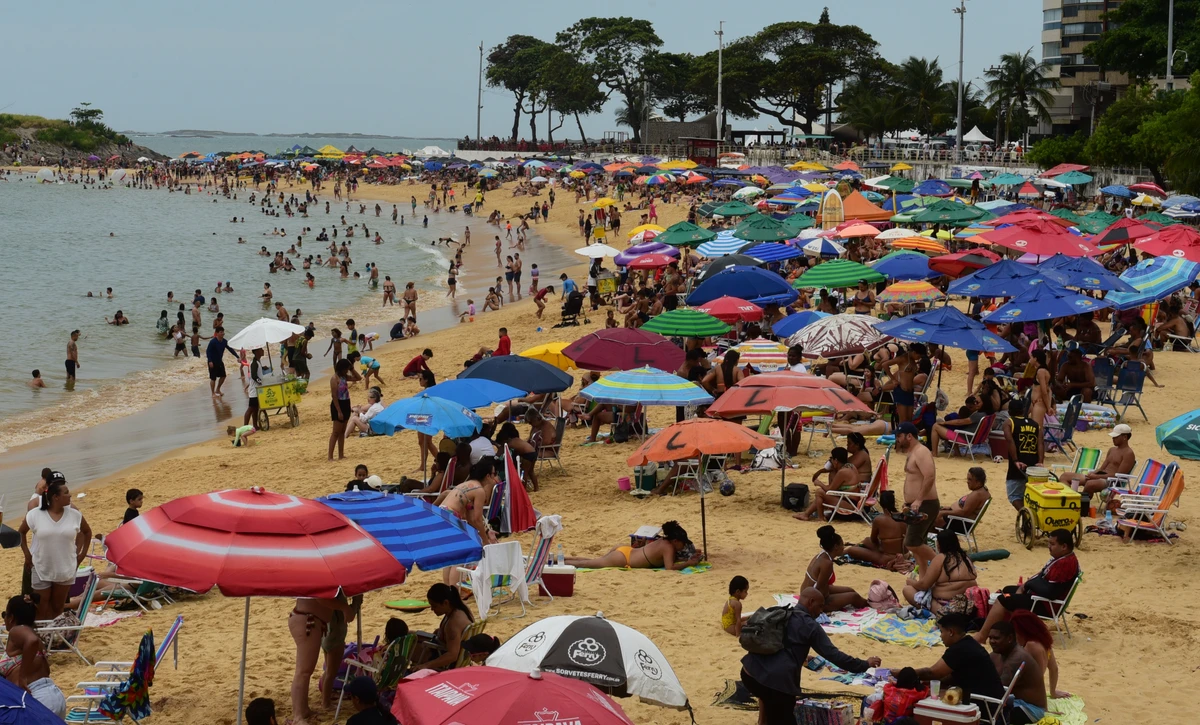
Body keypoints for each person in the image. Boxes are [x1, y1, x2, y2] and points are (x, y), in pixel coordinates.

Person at [740, 587, 881, 725]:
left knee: (768, 697)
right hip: (776, 683)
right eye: (820, 607)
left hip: (749, 673)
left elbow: (780, 645)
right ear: (811, 602)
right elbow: (834, 655)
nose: (821, 612)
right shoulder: (810, 625)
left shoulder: (782, 613)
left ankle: (762, 721)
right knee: (783, 713)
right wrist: (864, 664)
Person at [975, 528, 1080, 642]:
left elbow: (1050, 592)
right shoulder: (1065, 558)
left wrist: (1027, 586)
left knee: (1003, 599)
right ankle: (1009, 631)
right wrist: (1027, 585)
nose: (1048, 546)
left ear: (1064, 546)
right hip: (1041, 599)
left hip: (1044, 604)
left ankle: (982, 636)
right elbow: (1043, 580)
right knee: (1008, 590)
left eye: (1052, 544)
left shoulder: (1064, 564)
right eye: (1048, 543)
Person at [19, 473, 92, 621]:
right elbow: (21, 532)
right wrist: (27, 554)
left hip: (65, 567)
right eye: (66, 493)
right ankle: (41, 640)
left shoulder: (75, 514)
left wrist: (81, 554)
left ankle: (54, 639)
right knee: (40, 606)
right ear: (55, 497)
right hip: (41, 566)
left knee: (58, 607)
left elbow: (87, 532)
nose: (70, 495)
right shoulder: (35, 514)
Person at [289, 597, 357, 725]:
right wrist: (344, 607)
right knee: (303, 671)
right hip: (307, 619)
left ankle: (304, 710)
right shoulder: (314, 577)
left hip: (311, 619)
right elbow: (321, 598)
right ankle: (298, 716)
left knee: (306, 671)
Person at [915, 612, 1005, 704]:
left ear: (951, 632)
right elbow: (951, 676)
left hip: (985, 704)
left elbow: (932, 673)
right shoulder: (969, 643)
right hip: (994, 701)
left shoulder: (959, 649)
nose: (940, 636)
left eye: (942, 632)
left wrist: (904, 673)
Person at [1, 593, 68, 716]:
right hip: (54, 696)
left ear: (11, 618)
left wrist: (22, 677)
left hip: (38, 698)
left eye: (4, 615)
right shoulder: (34, 640)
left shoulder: (17, 630)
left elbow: (31, 640)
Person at [565, 520, 703, 570]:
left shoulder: (663, 541)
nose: (683, 547)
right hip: (623, 558)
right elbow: (670, 567)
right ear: (675, 541)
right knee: (585, 564)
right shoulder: (668, 547)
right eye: (682, 544)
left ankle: (560, 559)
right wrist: (689, 563)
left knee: (592, 561)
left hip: (625, 550)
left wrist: (687, 558)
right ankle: (556, 561)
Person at [902, 529, 978, 614]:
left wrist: (911, 582)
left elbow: (924, 585)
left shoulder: (941, 558)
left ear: (939, 544)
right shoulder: (966, 557)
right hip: (969, 604)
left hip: (946, 606)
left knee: (907, 589)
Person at [896, 422, 939, 570]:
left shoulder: (921, 451)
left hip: (925, 503)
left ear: (909, 436)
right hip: (916, 504)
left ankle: (944, 565)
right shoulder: (912, 452)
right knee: (919, 543)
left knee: (911, 543)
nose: (897, 439)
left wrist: (919, 499)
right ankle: (924, 574)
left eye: (899, 436)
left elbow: (930, 476)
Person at [987, 622, 1047, 724]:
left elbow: (1000, 689)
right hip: (1014, 700)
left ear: (1010, 638)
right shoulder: (997, 654)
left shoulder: (1018, 657)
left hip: (1031, 708)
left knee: (988, 713)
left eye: (996, 638)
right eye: (990, 638)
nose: (992, 641)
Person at [800, 526, 868, 611]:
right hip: (813, 601)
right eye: (842, 544)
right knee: (853, 596)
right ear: (836, 546)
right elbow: (821, 589)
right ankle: (870, 605)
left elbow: (821, 585)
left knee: (849, 590)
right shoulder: (827, 564)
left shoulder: (822, 555)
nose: (843, 547)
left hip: (805, 593)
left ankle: (866, 602)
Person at [435, 457, 500, 546]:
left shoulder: (466, 484)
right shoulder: (479, 490)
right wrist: (485, 542)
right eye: (494, 473)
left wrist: (487, 531)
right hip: (451, 516)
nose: (495, 476)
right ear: (488, 476)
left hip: (441, 512)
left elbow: (471, 518)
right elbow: (477, 519)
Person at [1059, 423, 1136, 495]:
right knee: (1065, 476)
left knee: (1090, 484)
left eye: (1116, 437)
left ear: (1125, 437)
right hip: (1101, 476)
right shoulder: (1112, 450)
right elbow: (1102, 468)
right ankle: (1071, 497)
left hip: (1112, 481)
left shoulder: (1128, 454)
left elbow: (1118, 476)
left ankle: (1081, 502)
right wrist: (1093, 473)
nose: (1113, 438)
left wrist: (1096, 477)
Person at [1008, 610, 1070, 699]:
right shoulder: (1044, 641)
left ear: (1023, 631)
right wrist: (1053, 692)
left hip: (1026, 694)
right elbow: (1054, 669)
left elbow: (1037, 679)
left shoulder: (1031, 645)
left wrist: (1043, 705)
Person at [845, 491, 910, 571]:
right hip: (905, 554)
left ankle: (843, 551)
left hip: (888, 558)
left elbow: (873, 540)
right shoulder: (904, 517)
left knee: (852, 550)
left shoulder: (879, 520)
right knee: (866, 540)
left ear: (881, 504)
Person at [415, 583, 474, 670]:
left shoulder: (452, 624)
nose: (432, 609)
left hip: (440, 656)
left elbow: (452, 655)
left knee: (407, 645)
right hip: (457, 653)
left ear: (446, 602)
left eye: (434, 606)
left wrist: (426, 665)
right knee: (411, 634)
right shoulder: (462, 608)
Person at [1002, 400, 1043, 511]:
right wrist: (1040, 461)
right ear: (1023, 411)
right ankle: (1028, 514)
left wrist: (1015, 460)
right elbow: (1040, 443)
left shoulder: (1009, 422)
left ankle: (1024, 514)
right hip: (1034, 464)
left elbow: (1010, 441)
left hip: (1019, 464)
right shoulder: (1035, 424)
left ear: (1009, 411)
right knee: (1029, 494)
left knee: (1014, 495)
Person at [796, 448, 860, 521]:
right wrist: (822, 471)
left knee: (820, 492)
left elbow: (830, 490)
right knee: (821, 493)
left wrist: (819, 483)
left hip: (850, 506)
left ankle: (820, 518)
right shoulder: (851, 466)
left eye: (831, 458)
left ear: (836, 461)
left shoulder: (842, 472)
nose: (830, 461)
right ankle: (806, 514)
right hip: (851, 501)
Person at [328, 359, 354, 461]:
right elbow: (334, 396)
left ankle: (341, 454)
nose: (347, 371)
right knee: (336, 432)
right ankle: (330, 456)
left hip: (346, 402)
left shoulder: (344, 377)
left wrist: (352, 368)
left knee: (342, 431)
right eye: (346, 369)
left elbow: (358, 377)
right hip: (337, 404)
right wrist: (339, 411)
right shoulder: (335, 378)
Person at [206, 326, 240, 397]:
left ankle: (218, 389)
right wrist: (210, 361)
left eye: (223, 332)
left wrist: (237, 356)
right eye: (221, 332)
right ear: (217, 333)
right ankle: (213, 393)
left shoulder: (224, 341)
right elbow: (208, 351)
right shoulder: (213, 342)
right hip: (212, 362)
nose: (223, 333)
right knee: (213, 378)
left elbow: (230, 349)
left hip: (219, 361)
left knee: (223, 376)